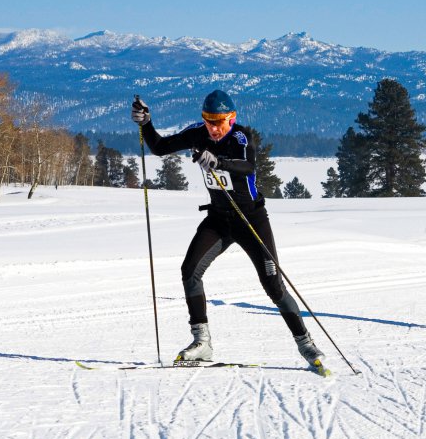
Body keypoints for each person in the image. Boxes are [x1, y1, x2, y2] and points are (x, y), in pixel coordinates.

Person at [131, 90, 326, 370]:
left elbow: (247, 167)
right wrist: (146, 123)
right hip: (220, 220)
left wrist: (218, 162)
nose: (213, 127)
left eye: (219, 121)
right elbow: (160, 147)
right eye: (209, 120)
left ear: (232, 118)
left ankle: (306, 345)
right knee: (190, 271)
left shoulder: (240, 137)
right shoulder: (199, 132)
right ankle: (202, 343)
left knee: (272, 284)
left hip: (251, 220)